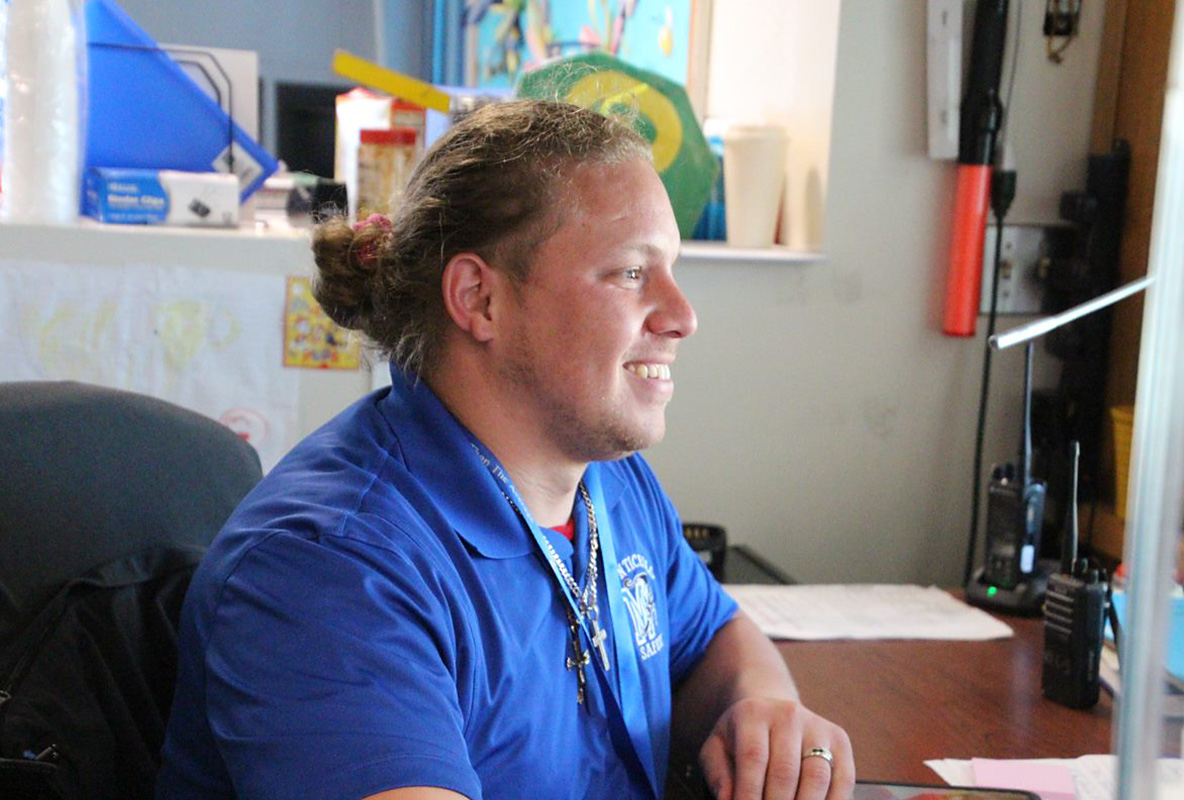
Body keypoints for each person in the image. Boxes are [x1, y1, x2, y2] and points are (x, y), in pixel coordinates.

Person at [158, 100, 853, 800]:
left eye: (670, 268)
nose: (683, 316)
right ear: (479, 299)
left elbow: (712, 640)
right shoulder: (328, 569)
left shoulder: (610, 482)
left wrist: (766, 713)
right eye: (632, 273)